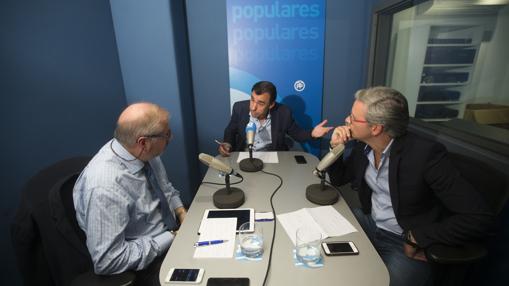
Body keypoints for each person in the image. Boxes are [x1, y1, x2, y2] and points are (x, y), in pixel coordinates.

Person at [327, 87, 493, 286]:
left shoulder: (425, 155)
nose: (346, 120)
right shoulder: (364, 146)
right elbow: (339, 179)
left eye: (353, 118)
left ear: (376, 128)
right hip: (371, 221)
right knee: (323, 248)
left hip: (403, 241)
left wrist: (417, 237)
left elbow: (479, 217)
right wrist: (335, 148)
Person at [73, 102, 187, 285]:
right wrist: (172, 237)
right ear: (143, 142)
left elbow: (166, 189)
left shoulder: (143, 153)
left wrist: (182, 213)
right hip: (149, 262)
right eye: (166, 135)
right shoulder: (105, 186)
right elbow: (108, 261)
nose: (171, 138)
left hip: (174, 233)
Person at [218, 80, 333, 156]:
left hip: (273, 159)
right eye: (252, 99)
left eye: (261, 103)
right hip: (244, 157)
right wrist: (227, 144)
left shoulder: (283, 113)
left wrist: (313, 133)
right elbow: (230, 130)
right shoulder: (239, 108)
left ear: (271, 104)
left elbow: (297, 134)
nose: (253, 107)